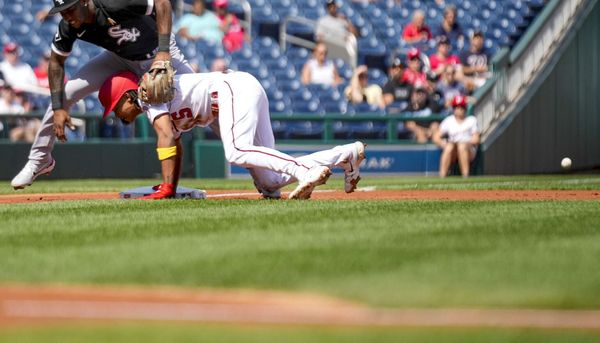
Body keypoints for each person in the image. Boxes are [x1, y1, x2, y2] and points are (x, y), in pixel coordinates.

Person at [11, 0, 196, 190]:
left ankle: (228, 152)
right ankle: (39, 159)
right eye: (62, 12)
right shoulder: (69, 24)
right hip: (119, 58)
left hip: (159, 53)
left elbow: (162, 3)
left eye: (70, 9)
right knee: (64, 95)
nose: (66, 15)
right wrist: (59, 108)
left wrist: (164, 51)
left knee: (202, 97)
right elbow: (56, 61)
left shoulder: (114, 3)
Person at [98, 70, 367, 200]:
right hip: (243, 89)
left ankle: (305, 171)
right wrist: (171, 184)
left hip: (232, 89)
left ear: (125, 95)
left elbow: (166, 137)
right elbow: (174, 145)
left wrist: (168, 187)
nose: (114, 113)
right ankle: (347, 155)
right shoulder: (153, 108)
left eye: (113, 106)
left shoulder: (149, 95)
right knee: (269, 184)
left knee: (236, 150)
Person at [433, 95, 480, 177]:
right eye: (456, 107)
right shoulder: (449, 120)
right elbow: (436, 137)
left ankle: (465, 176)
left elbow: (476, 139)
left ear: (465, 108)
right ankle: (442, 176)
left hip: (468, 149)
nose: (459, 110)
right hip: (453, 149)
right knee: (449, 146)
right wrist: (442, 143)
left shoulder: (471, 120)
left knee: (461, 146)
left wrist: (463, 142)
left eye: (461, 107)